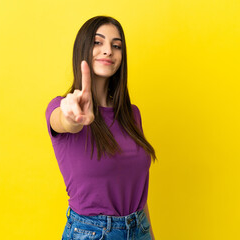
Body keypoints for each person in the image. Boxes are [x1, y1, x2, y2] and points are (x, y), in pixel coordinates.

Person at [45, 16, 156, 239]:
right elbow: (63, 122)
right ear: (83, 48)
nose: (108, 51)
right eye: (98, 42)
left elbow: (138, 193)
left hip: (139, 228)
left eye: (116, 46)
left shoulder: (131, 114)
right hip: (92, 232)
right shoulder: (61, 107)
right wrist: (72, 119)